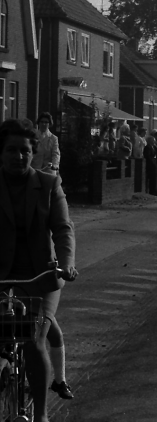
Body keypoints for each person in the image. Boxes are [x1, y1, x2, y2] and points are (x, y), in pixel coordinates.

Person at [0, 119, 79, 420]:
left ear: (33, 152)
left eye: (25, 150)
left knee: (33, 340)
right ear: (0, 152)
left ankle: (42, 415)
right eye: (11, 150)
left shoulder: (48, 185)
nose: (18, 156)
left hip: (40, 277)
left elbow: (62, 229)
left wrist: (66, 264)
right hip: (1, 275)